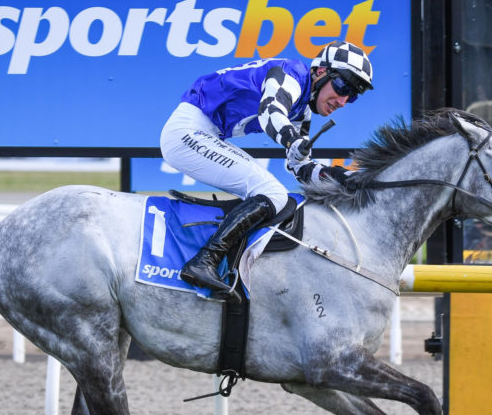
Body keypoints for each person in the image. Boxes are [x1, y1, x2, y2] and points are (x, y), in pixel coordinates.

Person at [160, 40, 374, 297]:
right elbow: (270, 111)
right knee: (272, 192)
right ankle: (205, 261)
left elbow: (299, 167)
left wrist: (343, 177)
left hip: (207, 132)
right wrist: (292, 139)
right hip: (188, 130)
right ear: (320, 72)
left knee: (273, 191)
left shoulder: (302, 111)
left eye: (352, 96)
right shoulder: (291, 73)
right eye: (343, 87)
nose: (343, 100)